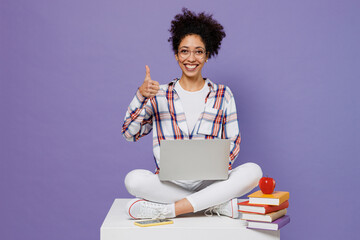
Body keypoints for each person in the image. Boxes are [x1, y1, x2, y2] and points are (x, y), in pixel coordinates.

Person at [121, 8, 262, 219]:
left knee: (254, 171)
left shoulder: (223, 94)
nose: (191, 58)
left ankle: (170, 210)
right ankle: (213, 204)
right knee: (133, 180)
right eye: (184, 51)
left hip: (212, 181)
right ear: (177, 54)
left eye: (199, 51)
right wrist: (141, 95)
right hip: (169, 183)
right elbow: (130, 134)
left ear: (207, 55)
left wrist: (217, 167)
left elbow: (233, 142)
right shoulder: (158, 93)